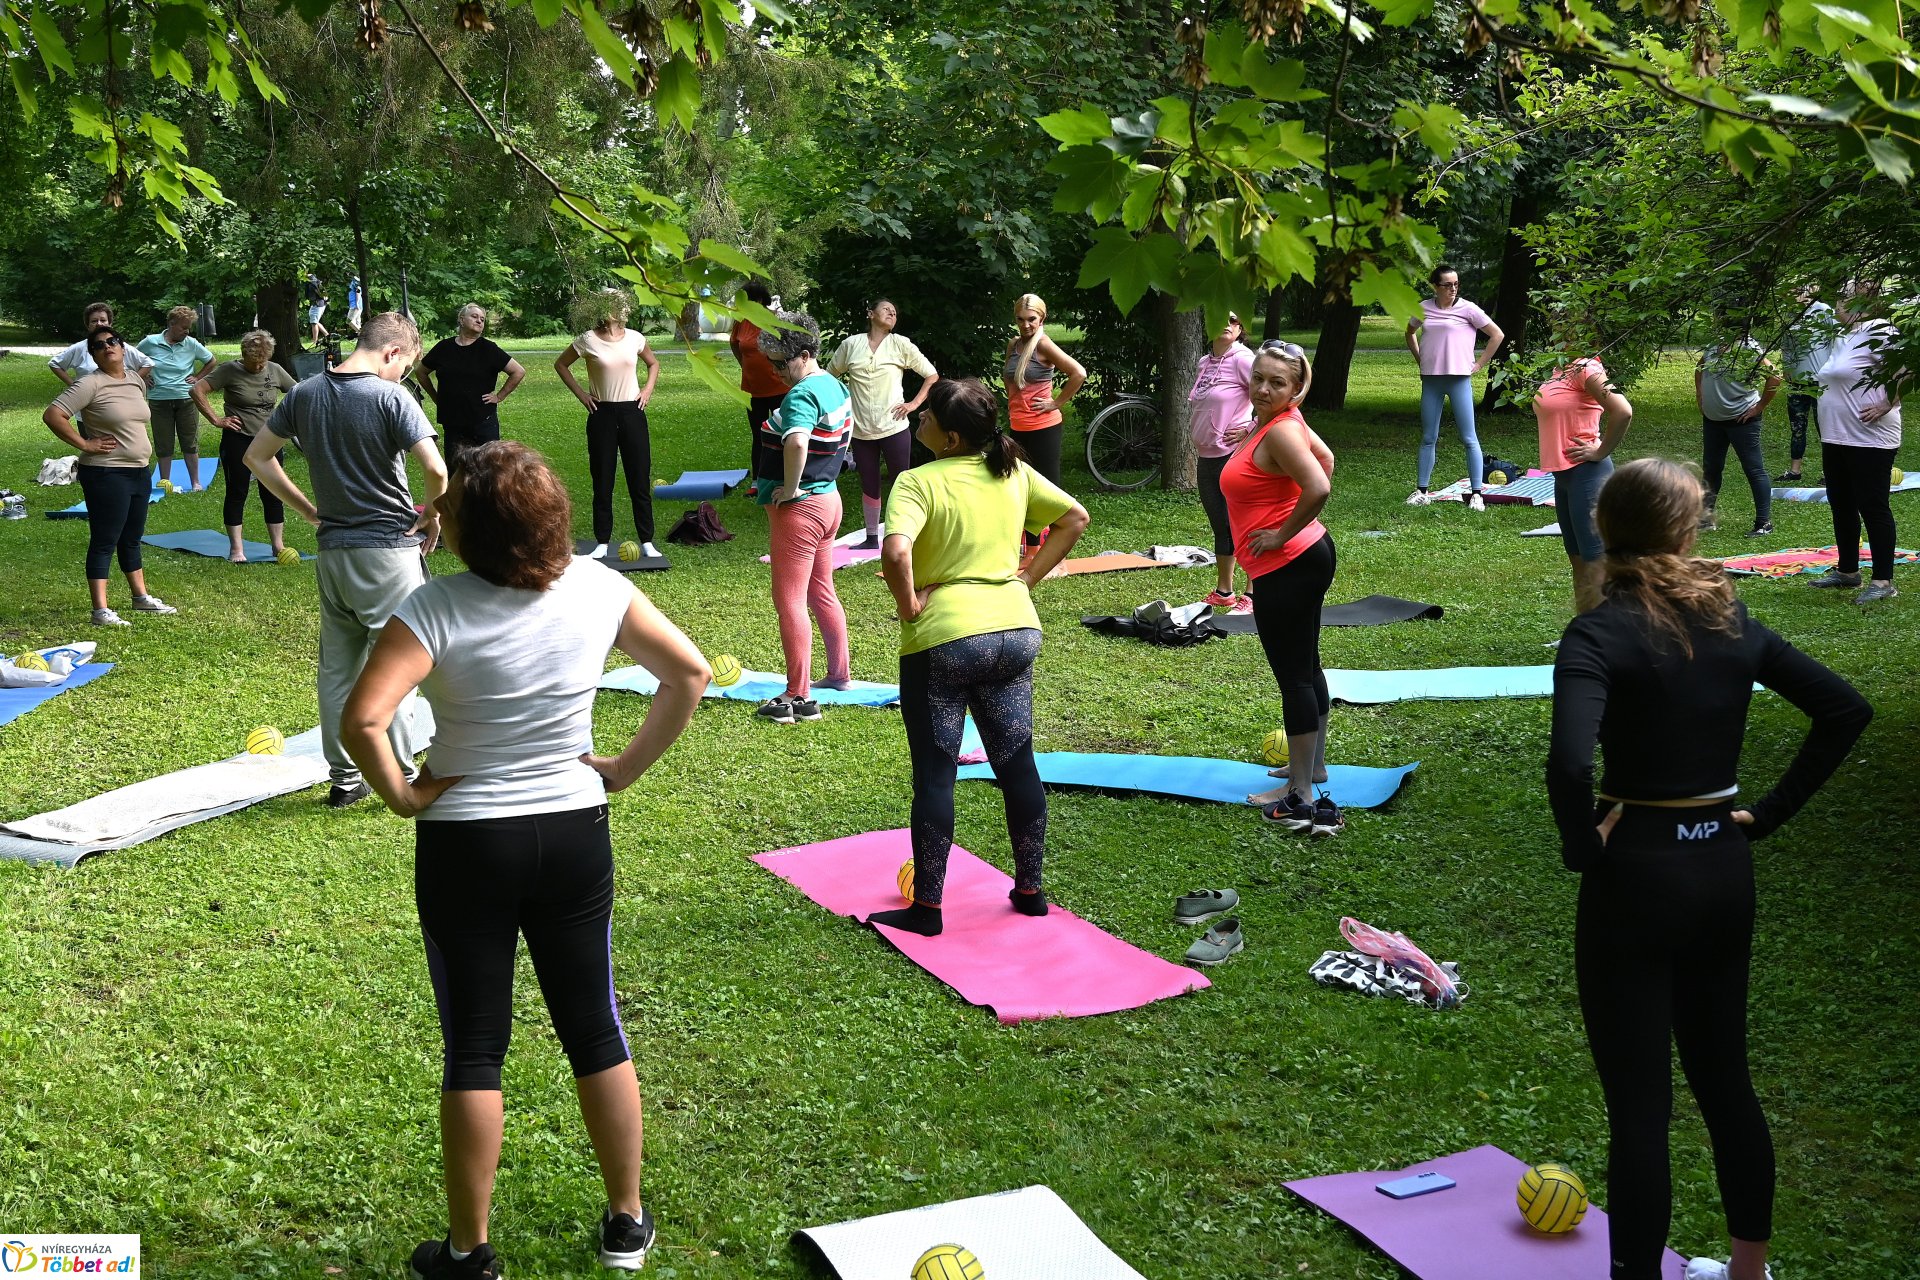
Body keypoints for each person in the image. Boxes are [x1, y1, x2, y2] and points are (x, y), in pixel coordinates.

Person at [338, 442, 707, 1280]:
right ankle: (625, 1223)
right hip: (573, 832)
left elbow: (363, 721)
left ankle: (469, 1253)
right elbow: (687, 673)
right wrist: (623, 768)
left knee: (474, 1047)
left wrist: (401, 794)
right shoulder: (600, 585)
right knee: (595, 1027)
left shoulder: (432, 608)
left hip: (468, 840)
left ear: (468, 527)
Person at [1547, 457, 1871, 1280]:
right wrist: (1765, 812)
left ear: (1604, 532)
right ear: (1687, 532)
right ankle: (1750, 1271)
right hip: (1721, 871)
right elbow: (1843, 708)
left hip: (1637, 879)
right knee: (1727, 1083)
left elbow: (1569, 766)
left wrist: (1584, 846)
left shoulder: (1597, 631)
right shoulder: (1733, 622)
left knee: (1641, 1108)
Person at [870, 378, 1090, 937]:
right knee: (1017, 764)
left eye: (926, 420)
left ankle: (928, 911)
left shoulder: (917, 482)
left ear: (949, 437)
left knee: (936, 778)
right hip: (1016, 630)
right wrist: (1027, 579)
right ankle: (1031, 892)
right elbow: (1074, 519)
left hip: (946, 639)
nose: (917, 423)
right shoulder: (1010, 470)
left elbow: (896, 551)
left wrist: (910, 603)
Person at [245, 311, 449, 808]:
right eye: (405, 365)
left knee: (338, 669)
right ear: (392, 353)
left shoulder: (304, 393)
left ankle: (345, 779)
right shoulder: (390, 395)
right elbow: (436, 469)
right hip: (388, 554)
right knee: (400, 666)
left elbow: (256, 457)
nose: (403, 375)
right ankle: (399, 772)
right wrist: (432, 515)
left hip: (333, 555)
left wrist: (310, 512)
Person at [1229, 341, 1341, 836]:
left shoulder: (1282, 430)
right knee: (1307, 664)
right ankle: (1311, 769)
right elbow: (1328, 458)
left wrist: (1281, 531)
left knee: (1293, 675)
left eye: (1278, 382)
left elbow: (1319, 484)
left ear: (1297, 388)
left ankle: (1297, 791)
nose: (1265, 388)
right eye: (1259, 378)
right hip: (1303, 558)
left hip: (1288, 564)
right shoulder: (1277, 425)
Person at [41, 327, 179, 626]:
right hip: (106, 473)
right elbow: (53, 414)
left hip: (139, 471)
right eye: (99, 346)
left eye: (111, 342)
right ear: (93, 354)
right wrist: (85, 444)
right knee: (105, 539)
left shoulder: (134, 380)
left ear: (122, 346)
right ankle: (100, 610)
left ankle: (140, 598)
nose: (107, 347)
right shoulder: (90, 383)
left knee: (131, 537)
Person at [753, 311, 853, 724]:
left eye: (781, 363)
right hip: (829, 501)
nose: (776, 371)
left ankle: (798, 695)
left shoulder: (801, 395)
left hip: (801, 509)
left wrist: (791, 489)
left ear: (805, 354)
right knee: (821, 590)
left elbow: (796, 441)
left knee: (789, 600)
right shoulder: (833, 385)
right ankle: (839, 675)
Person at [1811, 280, 1906, 604]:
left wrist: (1887, 404)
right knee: (1842, 504)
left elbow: (1908, 370)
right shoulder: (1843, 336)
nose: (1835, 305)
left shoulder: (1881, 330)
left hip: (1870, 438)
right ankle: (1848, 572)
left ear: (1856, 304)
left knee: (1872, 505)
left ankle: (1883, 581)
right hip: (1837, 435)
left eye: (1841, 300)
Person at [554, 291, 661, 560]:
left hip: (632, 411)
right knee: (603, 477)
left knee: (639, 477)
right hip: (601, 413)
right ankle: (602, 540)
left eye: (620, 303)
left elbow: (653, 363)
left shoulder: (635, 337)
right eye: (612, 303)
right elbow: (561, 364)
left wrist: (647, 390)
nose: (618, 308)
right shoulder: (587, 339)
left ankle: (647, 539)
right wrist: (582, 395)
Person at [828, 298, 940, 549]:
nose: (892, 313)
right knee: (869, 483)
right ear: (870, 314)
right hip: (860, 429)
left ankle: (904, 535)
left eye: (895, 311)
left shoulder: (901, 344)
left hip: (894, 427)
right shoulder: (851, 345)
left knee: (901, 482)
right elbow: (829, 377)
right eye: (886, 309)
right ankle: (870, 538)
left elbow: (931, 375)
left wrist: (913, 405)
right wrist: (842, 407)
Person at [1534, 348, 1635, 613]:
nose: (1556, 323)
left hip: (1587, 474)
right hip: (1564, 476)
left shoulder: (1587, 368)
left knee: (1597, 562)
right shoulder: (1559, 368)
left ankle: (1604, 638)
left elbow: (1623, 411)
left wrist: (1600, 451)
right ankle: (1584, 631)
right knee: (1578, 559)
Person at [190, 328, 298, 562]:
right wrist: (216, 420)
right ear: (244, 354)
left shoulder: (275, 370)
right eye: (254, 362)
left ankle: (278, 546)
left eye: (263, 361)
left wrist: (287, 419)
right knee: (237, 491)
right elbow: (197, 389)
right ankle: (236, 549)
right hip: (238, 439)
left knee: (273, 492)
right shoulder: (230, 369)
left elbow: (298, 392)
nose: (259, 366)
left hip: (270, 441)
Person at [1404, 264, 1503, 509]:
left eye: (1456, 284)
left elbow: (1496, 334)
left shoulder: (1468, 309)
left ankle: (1477, 494)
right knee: (1428, 437)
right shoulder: (1423, 308)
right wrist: (1421, 359)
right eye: (1448, 285)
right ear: (1435, 287)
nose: (1453, 289)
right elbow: (1410, 333)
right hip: (1432, 380)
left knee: (1469, 438)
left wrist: (1479, 364)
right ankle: (1422, 491)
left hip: (1459, 379)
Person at [1187, 311, 1256, 610]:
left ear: (1240, 328)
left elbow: (1272, 395)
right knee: (1221, 525)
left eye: (1233, 320)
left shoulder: (1244, 359)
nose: (1226, 325)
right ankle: (1224, 591)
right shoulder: (1205, 363)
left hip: (1233, 455)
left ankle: (1254, 594)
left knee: (1244, 524)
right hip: (1207, 455)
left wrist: (1250, 428)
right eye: (1221, 318)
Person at [419, 305, 526, 470]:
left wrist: (499, 396)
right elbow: (421, 372)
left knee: (488, 471)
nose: (479, 321)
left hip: (483, 421)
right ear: (461, 320)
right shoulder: (444, 348)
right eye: (475, 317)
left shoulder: (488, 349)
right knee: (455, 472)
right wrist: (436, 397)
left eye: (482, 319)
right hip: (453, 423)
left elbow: (518, 371)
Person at [1695, 329, 1781, 536]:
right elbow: (1699, 367)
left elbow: (1775, 377)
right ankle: (1706, 519)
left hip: (1742, 420)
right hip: (1713, 419)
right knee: (1711, 468)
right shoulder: (1714, 343)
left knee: (1754, 469)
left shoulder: (1748, 346)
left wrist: (1759, 407)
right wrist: (1700, 394)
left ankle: (1763, 523)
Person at [1002, 293, 1086, 491]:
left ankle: (1057, 523)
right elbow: (1008, 378)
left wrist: (1056, 403)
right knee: (1022, 486)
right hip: (1018, 423)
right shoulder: (1014, 344)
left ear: (1042, 318)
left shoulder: (1043, 345)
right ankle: (1029, 524)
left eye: (1032, 319)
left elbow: (1079, 373)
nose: (1026, 325)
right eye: (1020, 319)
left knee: (1048, 488)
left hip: (1043, 425)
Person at [136, 305, 218, 494]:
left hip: (186, 399)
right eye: (183, 327)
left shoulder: (190, 343)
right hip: (159, 399)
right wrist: (143, 376)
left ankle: (196, 482)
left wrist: (198, 377)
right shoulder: (150, 342)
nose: (187, 331)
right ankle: (165, 481)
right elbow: (132, 358)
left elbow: (211, 360)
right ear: (171, 324)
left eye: (189, 327)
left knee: (189, 442)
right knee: (163, 443)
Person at [1774, 284, 1832, 484]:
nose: (1792, 295)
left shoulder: (1824, 311)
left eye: (1796, 291)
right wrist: (1787, 367)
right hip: (1797, 382)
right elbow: (1786, 346)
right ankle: (1795, 471)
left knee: (1824, 426)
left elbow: (1837, 340)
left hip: (1821, 381)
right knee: (1797, 426)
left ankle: (1829, 473)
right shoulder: (1790, 315)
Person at [729, 281, 788, 477]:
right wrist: (745, 366)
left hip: (778, 388)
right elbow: (735, 345)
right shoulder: (741, 322)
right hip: (753, 389)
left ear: (760, 300)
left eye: (746, 300)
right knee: (759, 434)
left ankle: (785, 475)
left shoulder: (773, 319)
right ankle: (759, 479)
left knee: (784, 433)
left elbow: (787, 348)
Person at [48, 301, 154, 390]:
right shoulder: (79, 348)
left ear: (110, 323)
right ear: (88, 325)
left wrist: (131, 382)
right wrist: (74, 387)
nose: (99, 323)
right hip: (89, 407)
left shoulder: (120, 346)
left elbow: (148, 363)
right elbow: (55, 363)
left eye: (103, 320)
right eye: (94, 321)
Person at [305, 272, 329, 346]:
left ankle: (315, 341)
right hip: (320, 304)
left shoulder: (313, 284)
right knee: (315, 321)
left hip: (317, 304)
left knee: (314, 323)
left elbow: (320, 294)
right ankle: (327, 335)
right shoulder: (318, 282)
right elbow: (325, 296)